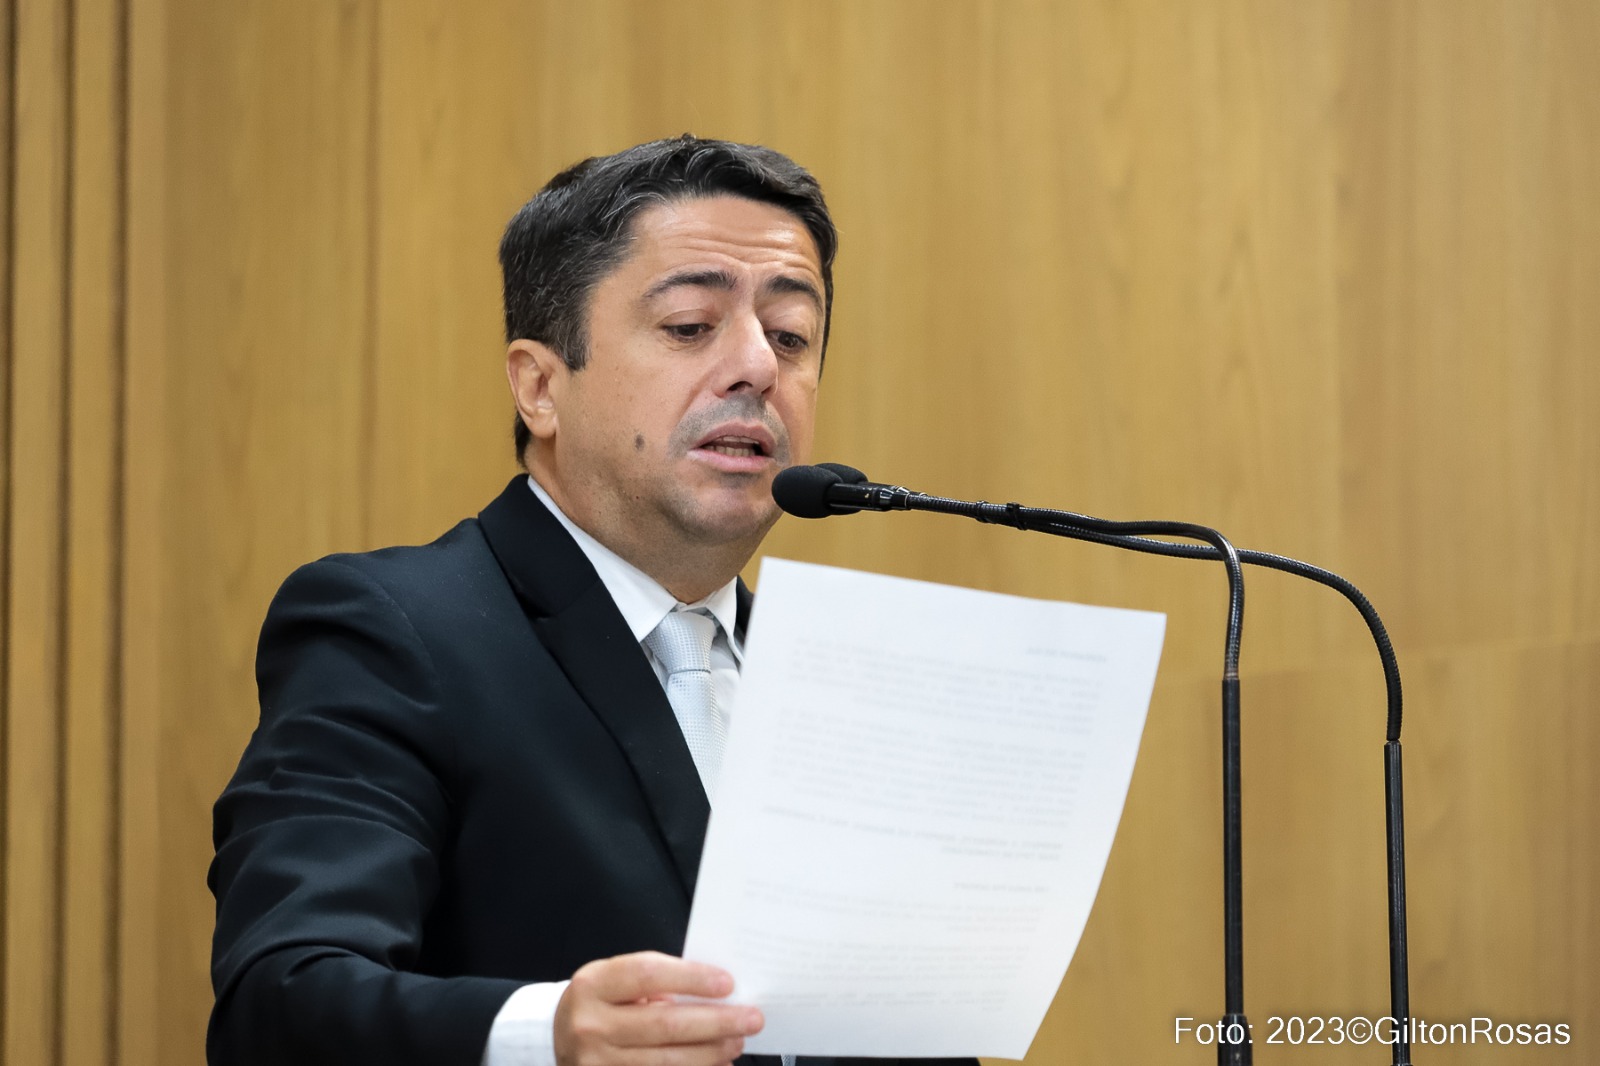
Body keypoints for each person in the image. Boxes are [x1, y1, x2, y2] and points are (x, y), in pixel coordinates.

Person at [208, 136, 974, 1066]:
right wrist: (549, 1036)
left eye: (791, 337)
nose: (758, 369)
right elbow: (281, 1003)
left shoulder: (838, 695)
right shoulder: (394, 629)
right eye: (692, 326)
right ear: (539, 385)